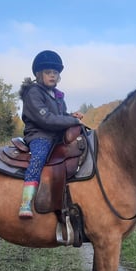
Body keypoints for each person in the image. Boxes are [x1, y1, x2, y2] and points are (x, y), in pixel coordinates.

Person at [18, 50, 84, 218]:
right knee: (39, 157)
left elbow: (60, 117)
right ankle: (26, 202)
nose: (52, 76)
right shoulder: (33, 92)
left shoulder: (58, 96)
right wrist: (73, 122)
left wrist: (71, 117)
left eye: (55, 73)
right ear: (39, 74)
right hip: (40, 135)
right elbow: (46, 119)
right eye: (48, 72)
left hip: (57, 137)